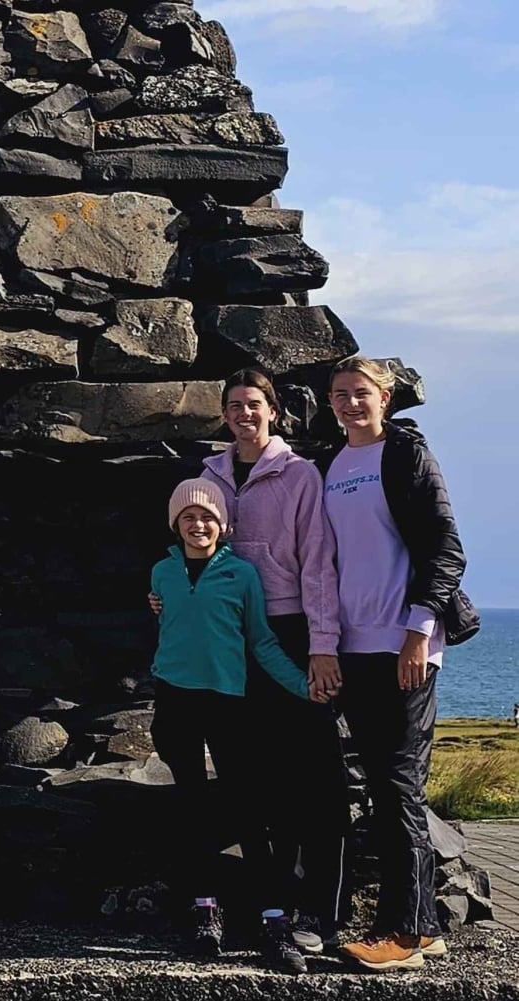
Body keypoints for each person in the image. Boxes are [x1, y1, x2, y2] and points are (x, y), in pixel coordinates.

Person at [321, 356, 471, 972]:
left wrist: (418, 633)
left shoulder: (405, 454)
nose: (350, 403)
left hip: (403, 645)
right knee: (382, 790)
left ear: (385, 397)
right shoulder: (332, 464)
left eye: (361, 393)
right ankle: (419, 926)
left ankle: (407, 933)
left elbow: (446, 547)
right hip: (353, 647)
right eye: (339, 395)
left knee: (399, 788)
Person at [197, 369, 348, 959]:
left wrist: (323, 644)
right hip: (230, 635)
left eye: (254, 404)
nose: (244, 413)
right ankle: (268, 908)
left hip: (289, 631)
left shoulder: (300, 475)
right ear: (224, 413)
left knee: (309, 773)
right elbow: (192, 547)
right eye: (234, 405)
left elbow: (318, 563)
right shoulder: (207, 476)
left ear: (273, 411)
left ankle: (318, 911)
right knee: (246, 774)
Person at [149, 478, 326, 975]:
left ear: (223, 525)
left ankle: (273, 919)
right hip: (175, 701)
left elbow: (262, 642)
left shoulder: (242, 574)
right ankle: (206, 912)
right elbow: (169, 628)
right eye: (188, 517)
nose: (198, 524)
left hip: (228, 702)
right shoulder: (162, 573)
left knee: (248, 809)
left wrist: (302, 686)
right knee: (192, 810)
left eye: (207, 517)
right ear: (175, 524)